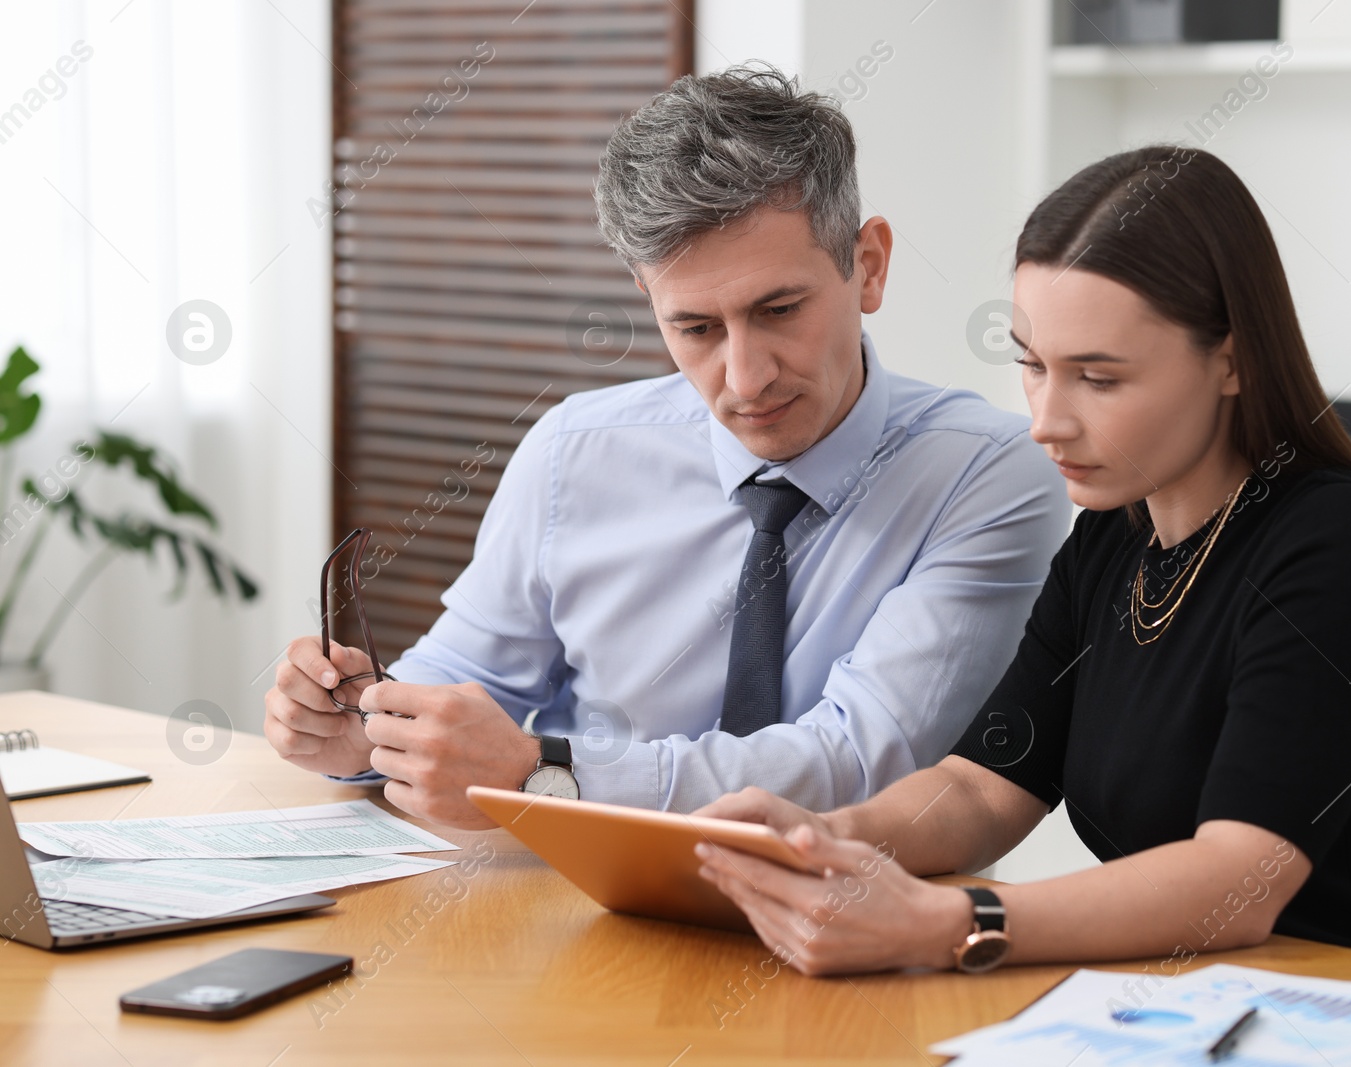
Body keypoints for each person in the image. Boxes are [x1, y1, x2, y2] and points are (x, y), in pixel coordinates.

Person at [693, 145, 1351, 982]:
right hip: (1214, 1005)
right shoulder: (1110, 539)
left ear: (1232, 358)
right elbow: (984, 788)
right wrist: (826, 835)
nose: (1047, 421)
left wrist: (949, 922)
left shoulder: (1341, 545)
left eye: (1097, 376)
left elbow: (1240, 879)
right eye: (1032, 364)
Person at [262, 66, 1067, 829]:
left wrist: (548, 772)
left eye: (780, 309)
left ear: (868, 267)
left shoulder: (991, 474)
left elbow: (862, 764)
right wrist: (365, 728)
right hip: (580, 908)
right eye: (695, 327)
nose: (746, 378)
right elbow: (464, 685)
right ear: (648, 300)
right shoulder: (574, 453)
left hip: (852, 926)